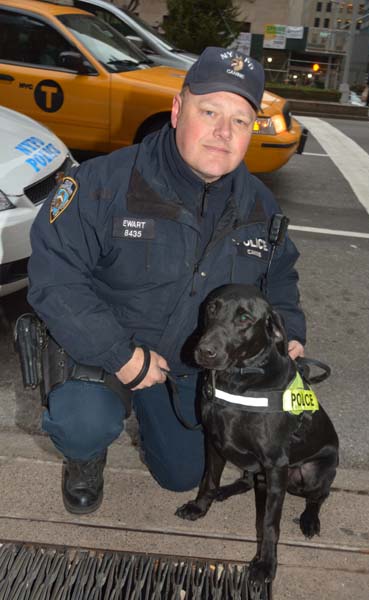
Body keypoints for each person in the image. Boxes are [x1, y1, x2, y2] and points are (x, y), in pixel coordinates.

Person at [27, 46, 306, 515]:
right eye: (210, 111)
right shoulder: (104, 183)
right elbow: (55, 278)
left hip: (188, 362)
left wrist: (292, 333)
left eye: (240, 120)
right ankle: (84, 456)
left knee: (182, 476)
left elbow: (278, 277)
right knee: (82, 422)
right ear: (178, 111)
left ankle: (154, 420)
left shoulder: (260, 206)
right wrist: (122, 356)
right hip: (105, 347)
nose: (223, 132)